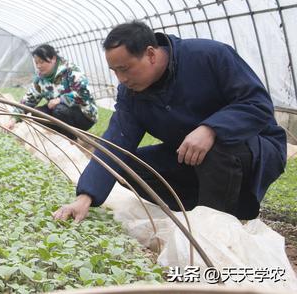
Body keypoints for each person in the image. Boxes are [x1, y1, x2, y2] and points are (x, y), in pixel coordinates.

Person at [53, 21, 286, 222]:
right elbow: (117, 140)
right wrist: (86, 197)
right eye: (114, 71)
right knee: (128, 168)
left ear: (151, 54)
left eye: (125, 69)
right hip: (192, 158)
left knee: (215, 148)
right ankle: (201, 210)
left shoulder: (209, 56)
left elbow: (257, 104)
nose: (121, 79)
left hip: (253, 147)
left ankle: (215, 224)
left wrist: (211, 129)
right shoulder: (131, 93)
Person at [6, 44, 98, 139]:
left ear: (53, 59)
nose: (38, 66)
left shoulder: (71, 70)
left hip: (84, 116)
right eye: (36, 63)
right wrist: (14, 118)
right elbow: (29, 100)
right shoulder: (41, 79)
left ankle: (71, 138)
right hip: (59, 112)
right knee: (36, 114)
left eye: (41, 62)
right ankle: (59, 135)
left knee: (59, 110)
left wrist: (61, 100)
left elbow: (84, 94)